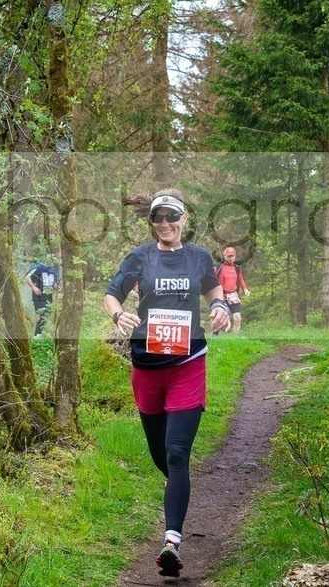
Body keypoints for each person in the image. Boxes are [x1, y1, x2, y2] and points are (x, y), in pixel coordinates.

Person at [104, 189, 231, 577]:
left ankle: (171, 542)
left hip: (187, 364)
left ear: (184, 219)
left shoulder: (199, 257)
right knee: (161, 454)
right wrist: (118, 315)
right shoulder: (140, 257)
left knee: (177, 453)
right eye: (159, 217)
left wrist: (219, 305)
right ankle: (177, 486)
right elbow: (112, 295)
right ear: (152, 222)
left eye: (172, 216)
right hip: (146, 367)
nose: (165, 223)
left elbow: (212, 288)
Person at [213, 246, 251, 333]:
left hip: (234, 296)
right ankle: (215, 336)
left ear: (235, 256)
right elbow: (212, 281)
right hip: (222, 296)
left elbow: (240, 279)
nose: (231, 258)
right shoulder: (218, 267)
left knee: (237, 318)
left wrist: (245, 289)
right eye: (229, 256)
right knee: (220, 319)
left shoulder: (237, 268)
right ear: (225, 256)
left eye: (232, 256)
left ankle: (234, 338)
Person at [25, 260, 59, 337]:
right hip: (39, 296)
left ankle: (37, 336)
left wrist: (58, 288)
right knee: (44, 316)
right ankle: (37, 336)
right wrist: (34, 287)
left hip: (48, 297)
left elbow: (53, 284)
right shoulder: (39, 267)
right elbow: (27, 277)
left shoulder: (53, 269)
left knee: (45, 316)